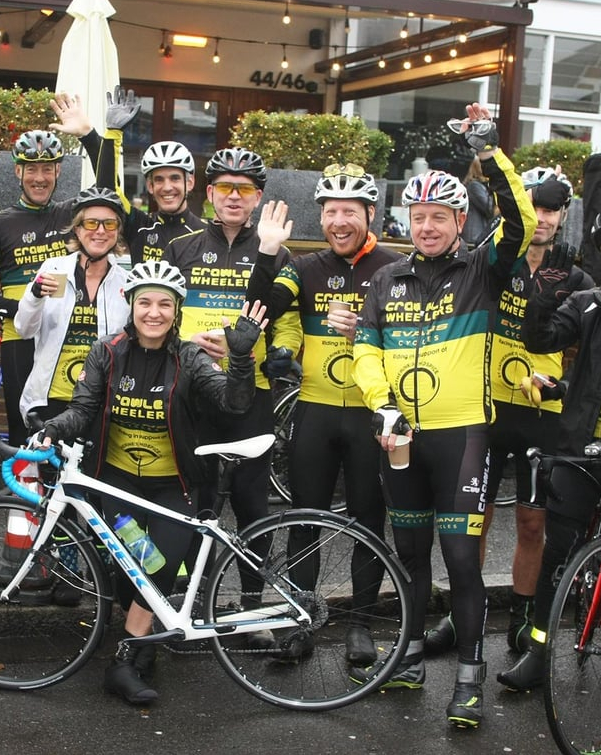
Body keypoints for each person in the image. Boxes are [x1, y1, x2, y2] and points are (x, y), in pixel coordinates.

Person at [351, 103, 536, 728]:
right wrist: (382, 406)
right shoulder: (387, 280)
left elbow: (521, 219)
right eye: (418, 216)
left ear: (460, 221)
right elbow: (366, 351)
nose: (427, 227)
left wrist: (488, 151)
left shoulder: (483, 269)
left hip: (461, 435)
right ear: (406, 220)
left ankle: (469, 677)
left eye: (439, 217)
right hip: (400, 436)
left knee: (460, 559)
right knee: (409, 556)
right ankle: (407, 659)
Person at [37, 260, 267, 705]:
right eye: (145, 302)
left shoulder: (190, 358)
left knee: (158, 567)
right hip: (118, 486)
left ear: (177, 310)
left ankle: (124, 660)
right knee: (132, 571)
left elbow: (234, 404)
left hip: (175, 487)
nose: (154, 313)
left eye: (165, 304)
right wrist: (53, 428)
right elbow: (83, 409)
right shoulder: (107, 351)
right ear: (131, 304)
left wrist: (241, 359)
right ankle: (139, 652)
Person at [425, 166, 592, 658]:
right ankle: (462, 613)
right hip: (487, 408)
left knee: (532, 525)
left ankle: (521, 618)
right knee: (471, 521)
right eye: (533, 206)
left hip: (543, 415)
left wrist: (564, 387)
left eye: (550, 209)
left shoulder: (576, 277)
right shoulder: (495, 262)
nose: (541, 217)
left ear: (564, 215)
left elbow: (587, 354)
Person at [247, 162, 402, 665]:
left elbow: (414, 338)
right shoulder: (305, 267)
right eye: (331, 211)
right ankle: (301, 621)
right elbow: (262, 308)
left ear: (370, 213)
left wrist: (368, 330)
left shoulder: (394, 266)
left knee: (368, 521)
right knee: (303, 520)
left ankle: (360, 625)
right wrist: (267, 252)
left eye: (349, 211)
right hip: (315, 409)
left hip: (369, 414)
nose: (339, 221)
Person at [163, 148, 290, 633]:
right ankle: (193, 602)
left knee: (251, 503)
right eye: (224, 188)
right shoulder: (181, 247)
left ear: (258, 197)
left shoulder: (278, 251)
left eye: (244, 189)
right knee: (196, 503)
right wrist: (185, 344)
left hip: (250, 393)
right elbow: (156, 315)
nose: (233, 197)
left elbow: (285, 320)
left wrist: (276, 352)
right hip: (195, 393)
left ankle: (253, 605)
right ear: (209, 193)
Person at [496, 235, 601, 691]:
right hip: (582, 448)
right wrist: (541, 301)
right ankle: (538, 653)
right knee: (557, 553)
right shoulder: (589, 303)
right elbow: (539, 338)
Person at [0, 130, 73, 446]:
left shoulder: (71, 216)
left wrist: (96, 137)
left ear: (58, 170)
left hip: (64, 336)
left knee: (63, 427)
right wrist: (23, 309)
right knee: (22, 426)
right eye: (31, 169)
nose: (39, 178)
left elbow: (109, 195)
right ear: (17, 171)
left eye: (47, 168)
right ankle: (19, 481)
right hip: (19, 337)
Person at [14, 185, 131, 424]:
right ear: (77, 229)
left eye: (109, 224)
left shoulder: (126, 283)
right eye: (91, 223)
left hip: (100, 400)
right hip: (51, 398)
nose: (100, 231)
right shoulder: (54, 270)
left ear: (118, 231)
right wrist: (34, 297)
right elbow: (24, 329)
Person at [49, 88, 205, 263]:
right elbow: (109, 190)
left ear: (190, 182)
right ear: (150, 186)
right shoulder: (141, 225)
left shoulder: (207, 233)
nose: (167, 187)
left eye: (175, 178)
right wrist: (94, 136)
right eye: (159, 179)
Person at [461, 156, 497, 246]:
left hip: (479, 234)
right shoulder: (474, 186)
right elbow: (489, 209)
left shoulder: (481, 185)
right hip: (474, 236)